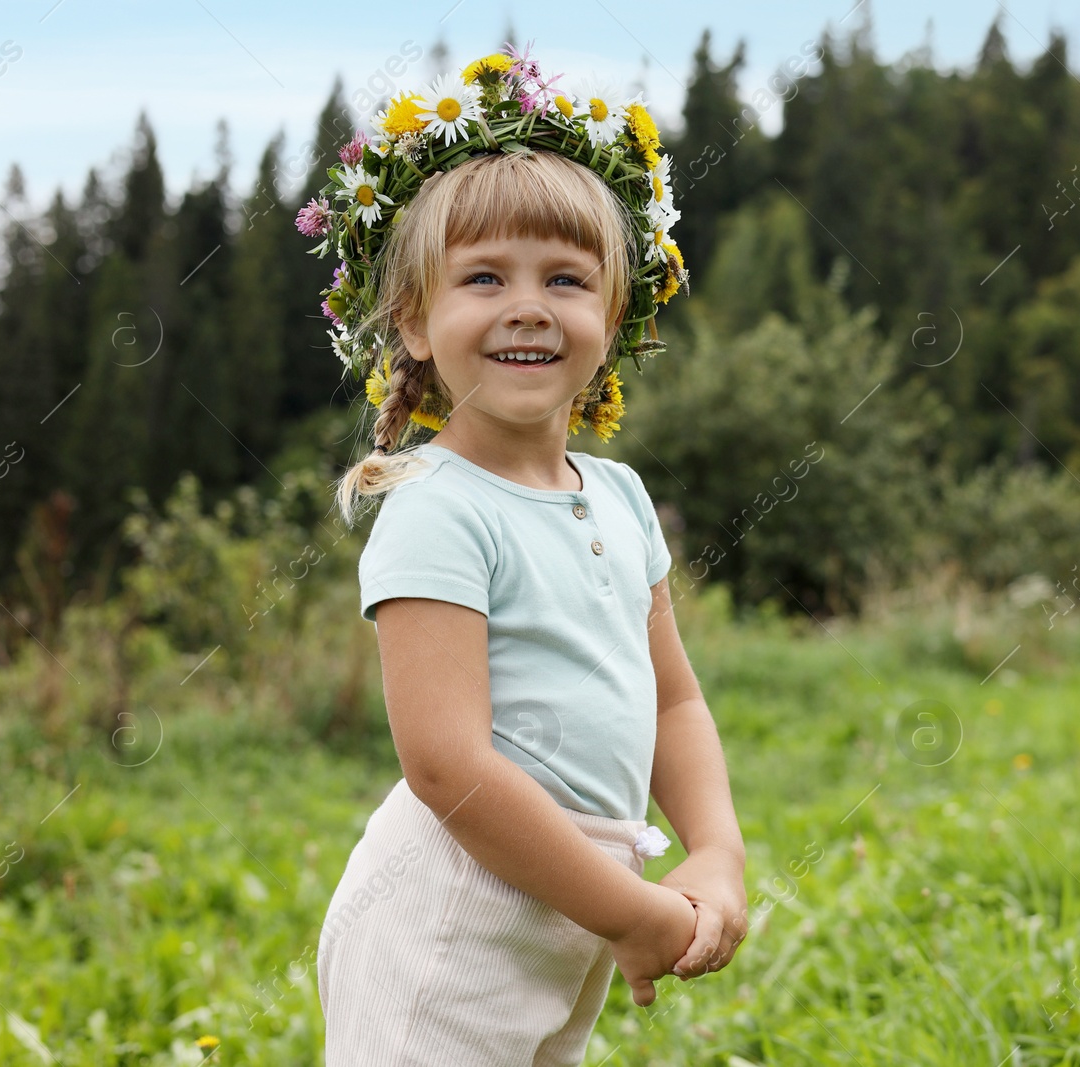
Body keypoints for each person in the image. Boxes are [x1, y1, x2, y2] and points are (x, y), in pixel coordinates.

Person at [304, 46, 746, 1066]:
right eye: (483, 278)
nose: (529, 304)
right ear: (412, 317)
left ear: (613, 313)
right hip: (447, 921)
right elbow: (446, 763)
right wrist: (629, 911)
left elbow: (672, 701)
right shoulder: (436, 510)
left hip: (564, 914)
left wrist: (714, 848)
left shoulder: (621, 496)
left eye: (565, 278)